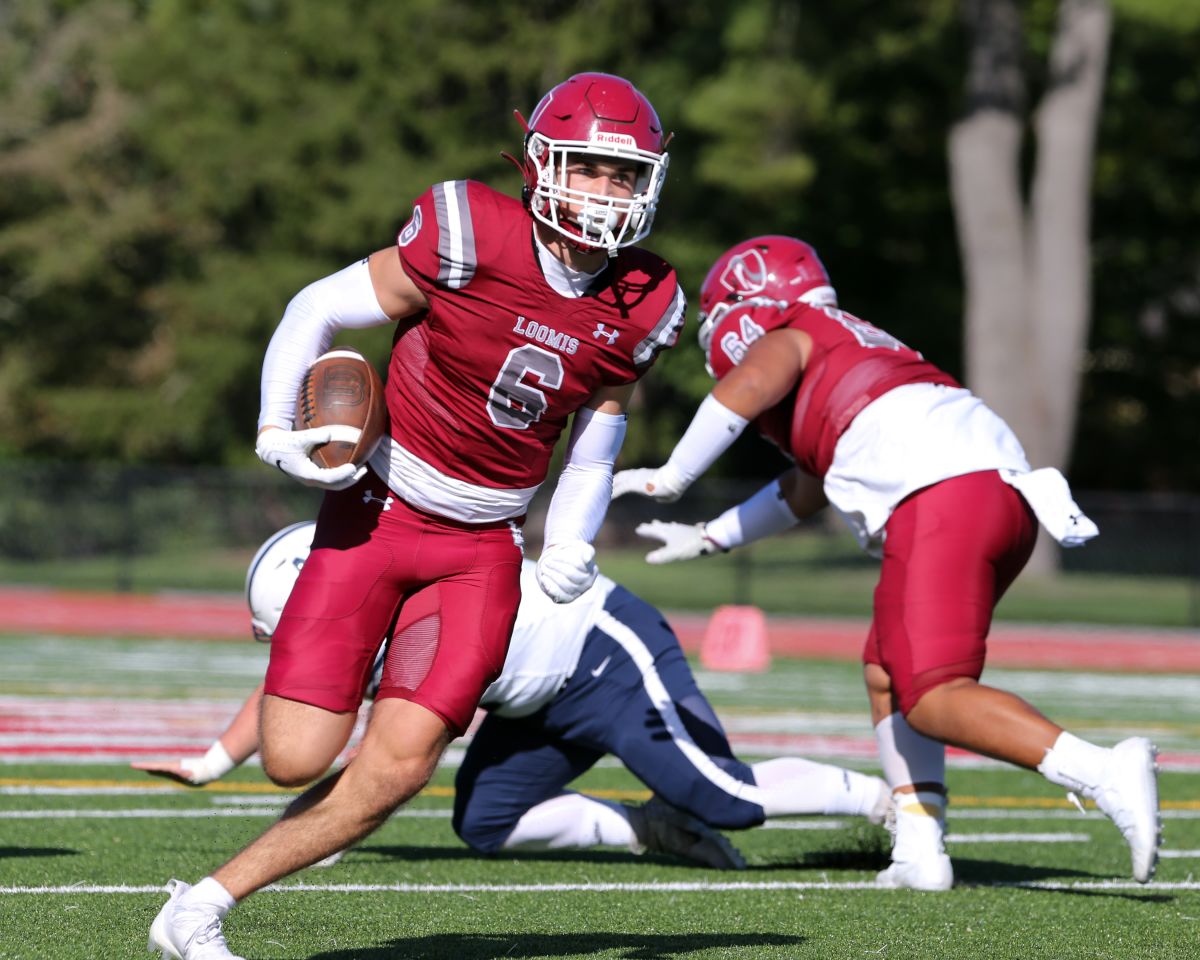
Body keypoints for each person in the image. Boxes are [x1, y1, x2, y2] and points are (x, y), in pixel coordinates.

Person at [149, 72, 688, 960]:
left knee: (398, 767)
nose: (606, 190)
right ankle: (354, 663)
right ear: (541, 163)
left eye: (625, 174)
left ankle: (199, 908)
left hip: (482, 548)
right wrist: (276, 426)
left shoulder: (645, 299)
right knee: (293, 758)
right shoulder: (470, 231)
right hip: (379, 513)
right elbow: (318, 306)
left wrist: (571, 540)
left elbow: (596, 437)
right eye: (589, 167)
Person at [611, 235, 1162, 891]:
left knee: (933, 694)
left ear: (753, 304)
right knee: (887, 672)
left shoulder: (793, 334)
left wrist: (674, 474)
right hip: (989, 492)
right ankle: (921, 848)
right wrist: (710, 537)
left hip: (944, 493)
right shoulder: (849, 351)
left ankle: (1103, 771)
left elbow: (749, 384)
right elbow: (804, 489)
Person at [137, 521, 892, 871]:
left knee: (724, 797)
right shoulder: (360, 612)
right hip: (535, 701)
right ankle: (650, 828)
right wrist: (210, 764)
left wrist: (324, 830)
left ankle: (890, 804)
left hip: (603, 655)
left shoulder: (404, 616)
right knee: (486, 820)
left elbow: (397, 755)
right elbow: (288, 691)